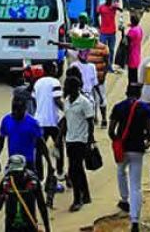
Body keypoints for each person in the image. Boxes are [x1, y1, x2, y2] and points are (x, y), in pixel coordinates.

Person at [108, 83, 150, 232]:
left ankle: (124, 199)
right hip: (137, 150)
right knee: (136, 184)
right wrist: (145, 139)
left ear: (126, 93)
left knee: (121, 172)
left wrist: (117, 141)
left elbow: (111, 130)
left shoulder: (118, 107)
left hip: (123, 148)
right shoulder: (145, 108)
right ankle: (135, 220)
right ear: (139, 94)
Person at [59, 75, 95, 212]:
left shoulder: (84, 102)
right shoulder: (67, 101)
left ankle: (77, 199)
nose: (65, 88)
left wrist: (90, 140)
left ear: (75, 88)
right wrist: (59, 137)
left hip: (81, 140)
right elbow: (65, 120)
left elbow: (90, 122)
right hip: (69, 140)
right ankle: (85, 195)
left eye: (67, 86)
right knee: (78, 170)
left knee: (74, 171)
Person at [0, 97, 53, 178]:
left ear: (25, 109)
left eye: (19, 111)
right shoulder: (6, 120)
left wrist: (49, 164)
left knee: (35, 187)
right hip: (12, 162)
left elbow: (41, 144)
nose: (16, 113)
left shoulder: (33, 123)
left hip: (28, 163)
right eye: (14, 111)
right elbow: (1, 140)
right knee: (2, 188)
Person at [0, 154, 52, 232]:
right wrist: (3, 194)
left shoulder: (32, 181)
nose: (17, 175)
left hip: (29, 224)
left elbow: (41, 205)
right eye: (14, 172)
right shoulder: (6, 181)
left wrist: (47, 228)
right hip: (11, 225)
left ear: (24, 169)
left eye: (19, 172)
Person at [33, 62, 65, 178]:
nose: (57, 69)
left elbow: (34, 100)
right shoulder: (55, 82)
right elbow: (57, 99)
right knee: (59, 147)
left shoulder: (37, 83)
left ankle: (39, 174)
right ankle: (60, 172)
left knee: (39, 150)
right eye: (55, 67)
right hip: (53, 120)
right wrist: (67, 110)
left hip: (39, 121)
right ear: (51, 69)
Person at [97, 0, 122, 72]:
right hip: (103, 32)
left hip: (111, 32)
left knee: (111, 50)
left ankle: (109, 66)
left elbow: (121, 9)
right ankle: (103, 65)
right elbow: (97, 14)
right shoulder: (101, 7)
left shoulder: (114, 6)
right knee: (103, 50)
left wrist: (116, 6)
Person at [126, 14, 144, 84]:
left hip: (131, 55)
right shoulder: (139, 29)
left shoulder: (132, 31)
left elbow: (126, 41)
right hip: (137, 53)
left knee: (131, 75)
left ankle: (132, 89)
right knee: (135, 74)